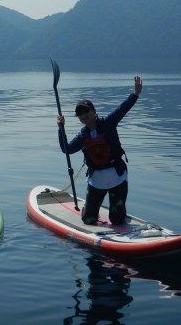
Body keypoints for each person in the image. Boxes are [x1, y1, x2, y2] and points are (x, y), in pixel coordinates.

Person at [57, 75, 143, 226]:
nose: (84, 116)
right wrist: (61, 128)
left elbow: (122, 109)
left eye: (86, 112)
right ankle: (88, 210)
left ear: (94, 111)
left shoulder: (108, 123)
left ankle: (119, 211)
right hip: (96, 181)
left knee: (117, 221)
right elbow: (67, 149)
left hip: (118, 178)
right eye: (80, 114)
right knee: (89, 221)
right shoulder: (83, 136)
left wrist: (135, 94)